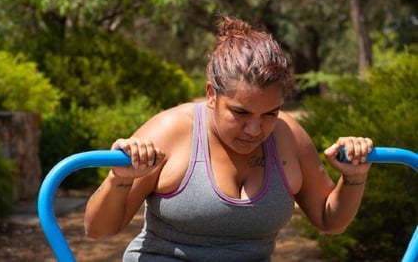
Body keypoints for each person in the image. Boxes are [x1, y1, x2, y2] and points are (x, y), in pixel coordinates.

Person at [83, 15, 373, 262]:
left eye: (269, 114)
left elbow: (329, 220)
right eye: (240, 113)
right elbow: (99, 230)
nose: (255, 130)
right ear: (211, 95)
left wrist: (354, 177)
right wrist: (119, 180)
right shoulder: (169, 131)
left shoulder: (288, 136)